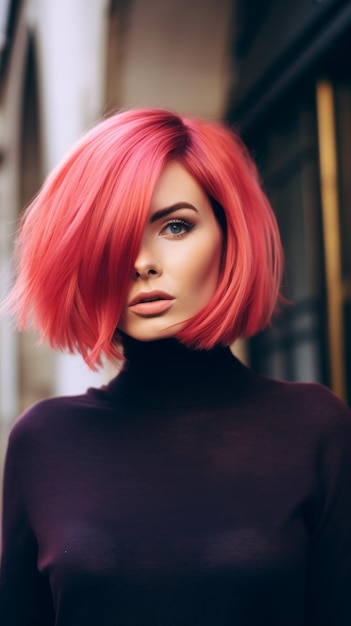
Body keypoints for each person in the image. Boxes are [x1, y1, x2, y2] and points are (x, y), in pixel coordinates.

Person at [0, 108, 350, 626]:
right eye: (114, 235)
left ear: (229, 236)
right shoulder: (43, 440)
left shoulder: (315, 427)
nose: (142, 261)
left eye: (176, 226)